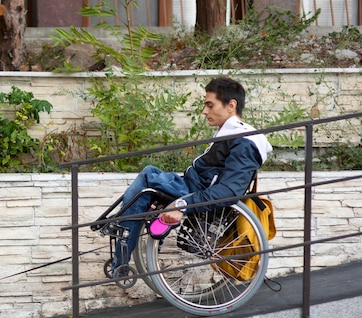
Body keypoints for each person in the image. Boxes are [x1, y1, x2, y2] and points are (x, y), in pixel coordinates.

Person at [112, 76, 273, 273]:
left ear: (231, 105)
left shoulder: (245, 142)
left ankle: (121, 250)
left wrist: (183, 204)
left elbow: (230, 190)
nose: (204, 111)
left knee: (149, 176)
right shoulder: (233, 135)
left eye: (209, 105)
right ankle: (127, 230)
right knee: (152, 175)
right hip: (192, 186)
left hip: (195, 193)